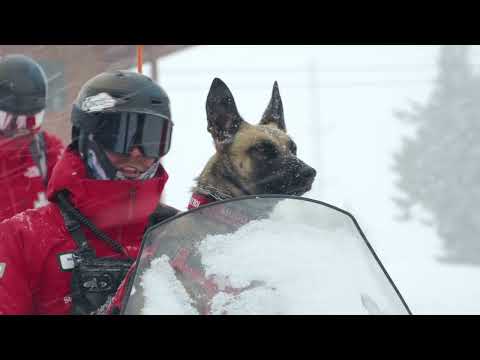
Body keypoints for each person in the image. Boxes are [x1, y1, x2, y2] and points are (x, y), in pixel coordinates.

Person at [0, 70, 177, 314]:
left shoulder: (176, 235)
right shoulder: (23, 239)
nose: (136, 152)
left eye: (151, 138)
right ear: (86, 138)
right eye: (119, 136)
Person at [0, 54, 64, 221]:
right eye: (11, 122)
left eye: (31, 121)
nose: (22, 131)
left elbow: (78, 206)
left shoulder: (46, 152)